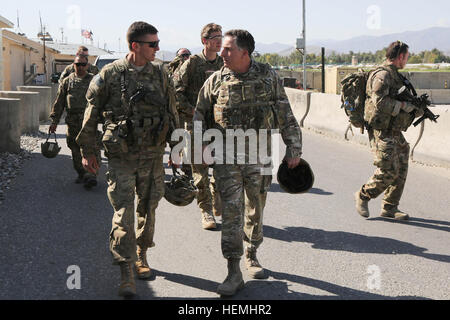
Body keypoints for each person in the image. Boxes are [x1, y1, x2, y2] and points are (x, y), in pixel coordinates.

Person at [194, 29, 303, 296]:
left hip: (259, 156)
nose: (222, 53)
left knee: (256, 207)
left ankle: (252, 252)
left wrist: (294, 148)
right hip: (226, 159)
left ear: (245, 53)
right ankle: (233, 270)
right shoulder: (216, 80)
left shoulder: (268, 77)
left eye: (228, 49)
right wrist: (200, 145)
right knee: (232, 212)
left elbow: (284, 111)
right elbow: (200, 112)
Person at [76, 21, 179, 297]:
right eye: (152, 44)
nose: (157, 49)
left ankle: (142, 255)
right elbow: (91, 114)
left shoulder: (161, 74)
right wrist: (88, 152)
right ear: (135, 46)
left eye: (158, 43)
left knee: (148, 208)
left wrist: (178, 149)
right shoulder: (109, 74)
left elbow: (172, 112)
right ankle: (125, 271)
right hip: (121, 156)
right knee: (124, 213)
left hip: (153, 156)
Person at [355, 41, 424, 221]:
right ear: (400, 56)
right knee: (388, 169)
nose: (407, 60)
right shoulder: (383, 75)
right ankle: (363, 195)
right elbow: (379, 102)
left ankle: (390, 207)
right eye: (407, 57)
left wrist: (416, 108)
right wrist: (403, 106)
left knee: (401, 164)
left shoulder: (396, 76)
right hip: (381, 129)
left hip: (393, 129)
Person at [173, 23, 224, 230]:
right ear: (204, 41)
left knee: (222, 169)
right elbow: (175, 91)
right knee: (200, 170)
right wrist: (192, 111)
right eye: (214, 37)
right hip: (195, 125)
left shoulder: (224, 63)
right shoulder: (192, 63)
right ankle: (206, 211)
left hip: (219, 126)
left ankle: (215, 194)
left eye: (221, 36)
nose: (219, 40)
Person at [49, 55, 100, 189]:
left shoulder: (94, 81)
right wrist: (54, 121)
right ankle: (82, 173)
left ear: (87, 65)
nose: (81, 67)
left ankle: (91, 174)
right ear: (74, 65)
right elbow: (59, 102)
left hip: (89, 121)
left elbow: (102, 99)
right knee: (75, 148)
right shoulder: (67, 81)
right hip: (72, 121)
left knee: (92, 147)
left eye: (83, 64)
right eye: (78, 65)